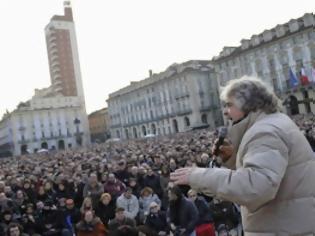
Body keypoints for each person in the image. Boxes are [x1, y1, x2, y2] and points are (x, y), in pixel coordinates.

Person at [170, 76, 315, 235]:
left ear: (249, 104)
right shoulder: (273, 123)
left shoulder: (265, 131)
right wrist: (232, 158)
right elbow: (268, 174)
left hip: (283, 227)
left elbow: (256, 187)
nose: (225, 112)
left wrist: (199, 176)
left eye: (229, 105)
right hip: (287, 223)